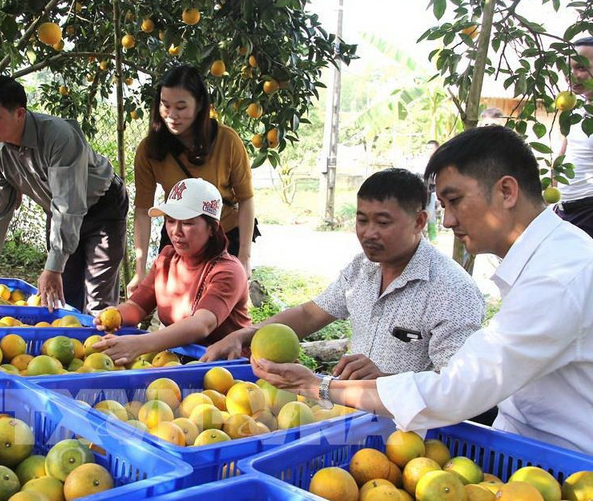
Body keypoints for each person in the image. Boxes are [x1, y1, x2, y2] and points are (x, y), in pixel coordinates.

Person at [253, 126, 593, 455]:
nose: (447, 222)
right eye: (443, 206)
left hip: (563, 468)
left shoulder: (558, 277)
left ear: (506, 192)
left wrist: (318, 385)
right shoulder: (550, 261)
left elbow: (456, 388)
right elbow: (312, 312)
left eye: (455, 201)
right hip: (521, 455)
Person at [204, 168, 484, 379]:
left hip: (413, 442)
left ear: (419, 221)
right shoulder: (361, 269)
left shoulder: (451, 289)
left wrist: (387, 382)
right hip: (350, 418)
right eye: (362, 220)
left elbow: (459, 386)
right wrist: (245, 335)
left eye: (383, 222)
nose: (369, 233)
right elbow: (309, 315)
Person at [0, 75, 128, 314]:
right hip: (59, 211)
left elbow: (69, 204)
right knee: (64, 297)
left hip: (102, 207)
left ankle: (104, 347)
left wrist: (53, 268)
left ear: (19, 113)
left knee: (98, 301)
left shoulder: (58, 136)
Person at [92, 178, 252, 365]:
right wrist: (115, 315)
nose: (176, 231)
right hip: (178, 363)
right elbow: (137, 307)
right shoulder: (167, 258)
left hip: (229, 370)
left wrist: (140, 343)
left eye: (187, 223)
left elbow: (202, 324)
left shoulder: (228, 271)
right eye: (170, 221)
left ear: (212, 228)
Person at [129, 65, 257, 296]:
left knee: (215, 312)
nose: (171, 115)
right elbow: (142, 210)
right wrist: (140, 269)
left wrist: (244, 257)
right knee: (173, 306)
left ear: (200, 106)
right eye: (165, 106)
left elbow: (246, 200)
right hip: (179, 238)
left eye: (181, 107)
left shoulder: (227, 141)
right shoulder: (149, 150)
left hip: (224, 236)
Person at [554, 36, 593, 238]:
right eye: (569, 68)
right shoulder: (576, 110)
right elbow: (564, 155)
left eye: (581, 68)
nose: (572, 75)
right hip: (562, 210)